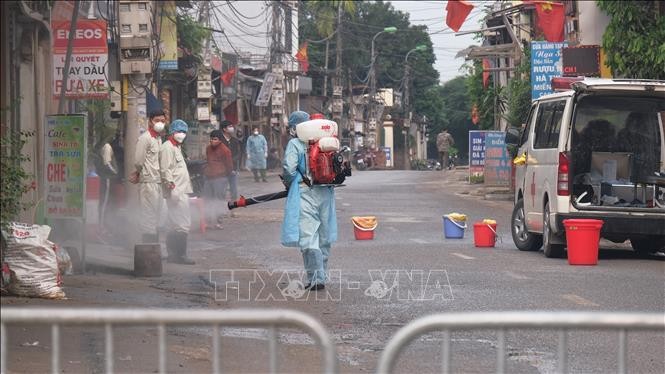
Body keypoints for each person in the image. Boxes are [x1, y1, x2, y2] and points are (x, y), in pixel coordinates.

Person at [281, 111, 338, 291]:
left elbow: (289, 169)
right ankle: (322, 275)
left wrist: (291, 184)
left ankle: (316, 279)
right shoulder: (326, 141)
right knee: (324, 235)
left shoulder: (295, 143)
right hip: (326, 191)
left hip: (305, 193)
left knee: (309, 236)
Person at [159, 119, 195, 265]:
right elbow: (165, 170)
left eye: (184, 132)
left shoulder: (176, 147)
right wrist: (172, 190)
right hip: (176, 192)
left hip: (180, 190)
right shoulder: (167, 148)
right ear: (172, 132)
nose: (182, 134)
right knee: (183, 224)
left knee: (175, 224)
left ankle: (173, 254)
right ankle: (180, 255)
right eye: (179, 131)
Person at [132, 109, 166, 243]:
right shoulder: (145, 138)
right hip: (148, 182)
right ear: (150, 121)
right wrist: (138, 173)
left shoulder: (158, 138)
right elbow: (138, 161)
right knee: (148, 217)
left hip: (157, 182)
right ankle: (148, 252)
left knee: (158, 217)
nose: (160, 123)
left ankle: (154, 249)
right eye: (157, 120)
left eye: (163, 121)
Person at [203, 129, 233, 229]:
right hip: (209, 177)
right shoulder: (208, 148)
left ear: (220, 140)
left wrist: (225, 175)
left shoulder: (225, 150)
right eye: (211, 139)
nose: (212, 141)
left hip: (220, 178)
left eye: (215, 139)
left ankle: (218, 221)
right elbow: (208, 161)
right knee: (207, 200)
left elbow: (229, 166)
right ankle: (207, 221)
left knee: (219, 200)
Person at [96, 135, 118, 236]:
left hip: (105, 177)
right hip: (107, 178)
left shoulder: (103, 145)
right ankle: (101, 227)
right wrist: (116, 172)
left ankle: (103, 226)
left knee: (105, 202)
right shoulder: (107, 146)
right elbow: (107, 163)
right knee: (104, 202)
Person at [219, 120, 240, 202]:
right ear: (224, 129)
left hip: (233, 168)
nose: (232, 128)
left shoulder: (235, 140)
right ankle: (220, 206)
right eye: (230, 126)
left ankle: (234, 205)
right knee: (222, 188)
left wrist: (232, 161)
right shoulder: (219, 141)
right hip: (222, 169)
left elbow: (238, 153)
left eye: (232, 126)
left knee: (234, 188)